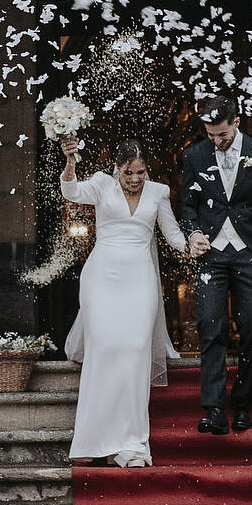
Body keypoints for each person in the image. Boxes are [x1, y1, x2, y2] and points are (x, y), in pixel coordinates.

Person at [59, 134, 188, 466]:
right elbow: (70, 192)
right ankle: (92, 441)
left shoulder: (159, 193)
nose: (134, 180)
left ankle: (131, 443)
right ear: (117, 168)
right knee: (103, 348)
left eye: (140, 173)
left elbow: (172, 234)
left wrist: (191, 244)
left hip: (140, 279)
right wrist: (71, 162)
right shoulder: (102, 185)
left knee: (134, 350)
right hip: (102, 277)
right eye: (128, 173)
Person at [178, 96, 252, 436]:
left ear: (237, 122)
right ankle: (213, 409)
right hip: (211, 254)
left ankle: (242, 405)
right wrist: (193, 232)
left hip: (249, 253)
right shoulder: (194, 155)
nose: (216, 141)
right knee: (210, 325)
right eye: (211, 135)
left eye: (222, 135)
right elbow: (188, 206)